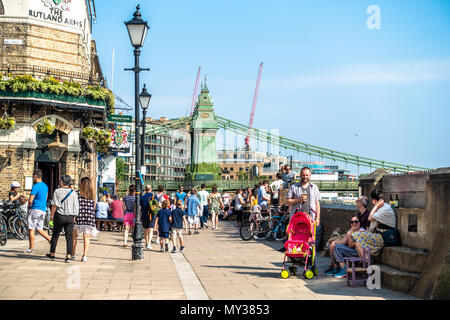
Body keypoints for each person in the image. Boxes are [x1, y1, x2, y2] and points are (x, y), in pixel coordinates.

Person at [285, 167, 323, 251]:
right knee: (296, 239)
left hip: (310, 218)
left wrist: (318, 218)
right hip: (296, 219)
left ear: (310, 175)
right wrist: (299, 200)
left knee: (310, 239)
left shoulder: (314, 187)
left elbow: (317, 203)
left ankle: (309, 258)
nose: (305, 176)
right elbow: (287, 201)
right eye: (303, 175)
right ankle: (296, 257)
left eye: (307, 175)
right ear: (300, 175)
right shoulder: (294, 186)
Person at [47, 175, 79, 263]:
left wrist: (52, 215)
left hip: (59, 216)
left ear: (62, 182)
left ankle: (52, 253)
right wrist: (74, 217)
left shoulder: (57, 191)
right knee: (69, 237)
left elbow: (54, 204)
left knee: (55, 235)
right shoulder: (74, 193)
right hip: (70, 217)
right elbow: (76, 206)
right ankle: (68, 256)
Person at [25, 169, 51, 254]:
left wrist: (29, 207)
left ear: (35, 176)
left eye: (33, 176)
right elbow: (46, 198)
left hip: (35, 209)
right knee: (39, 229)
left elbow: (31, 199)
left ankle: (31, 248)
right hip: (43, 210)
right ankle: (51, 240)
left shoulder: (35, 186)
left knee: (31, 229)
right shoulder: (45, 186)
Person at [72, 177, 98, 262]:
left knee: (74, 236)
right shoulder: (92, 194)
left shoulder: (76, 193)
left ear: (81, 183)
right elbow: (94, 207)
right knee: (86, 237)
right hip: (89, 218)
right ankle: (84, 256)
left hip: (79, 216)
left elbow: (74, 205)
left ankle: (73, 254)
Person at [140, 185, 154, 250]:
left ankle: (146, 242)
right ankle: (149, 243)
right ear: (151, 189)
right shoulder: (154, 196)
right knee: (150, 230)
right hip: (151, 215)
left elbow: (140, 206)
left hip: (144, 215)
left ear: (145, 189)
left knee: (145, 230)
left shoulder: (142, 197)